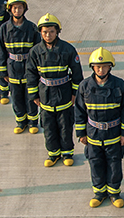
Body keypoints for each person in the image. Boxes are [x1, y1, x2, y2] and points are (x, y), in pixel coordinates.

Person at [75, 48, 124, 208]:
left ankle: (114, 193)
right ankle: (99, 193)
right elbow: (79, 111)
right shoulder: (84, 86)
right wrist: (81, 133)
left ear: (110, 66)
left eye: (104, 66)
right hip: (93, 135)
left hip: (113, 135)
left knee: (114, 165)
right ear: (92, 67)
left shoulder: (120, 85)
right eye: (98, 66)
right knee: (96, 164)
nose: (101, 70)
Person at [26, 14, 83, 167]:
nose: (48, 35)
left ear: (57, 31)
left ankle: (67, 153)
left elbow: (77, 74)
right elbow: (31, 75)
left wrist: (75, 94)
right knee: (49, 129)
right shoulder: (35, 52)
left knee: (65, 127)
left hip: (64, 96)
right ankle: (53, 154)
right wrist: (34, 95)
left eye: (51, 31)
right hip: (45, 97)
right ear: (40, 32)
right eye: (45, 32)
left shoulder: (68, 49)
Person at [0, 0, 41, 134]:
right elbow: (1, 52)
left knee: (31, 96)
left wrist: (38, 71)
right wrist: (3, 72)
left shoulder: (32, 28)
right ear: (10, 10)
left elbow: (38, 51)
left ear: (24, 9)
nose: (17, 10)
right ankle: (21, 122)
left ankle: (33, 122)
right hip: (13, 69)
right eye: (15, 8)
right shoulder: (4, 28)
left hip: (29, 68)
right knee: (16, 98)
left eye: (20, 8)